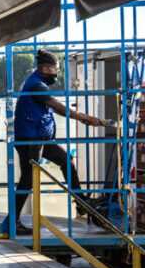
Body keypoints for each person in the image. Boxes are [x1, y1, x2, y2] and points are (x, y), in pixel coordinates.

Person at [12, 50, 107, 233]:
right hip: (31, 140)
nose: (57, 73)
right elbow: (57, 106)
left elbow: (52, 109)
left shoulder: (37, 83)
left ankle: (80, 202)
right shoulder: (37, 86)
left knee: (65, 160)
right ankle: (13, 222)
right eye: (55, 69)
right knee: (27, 179)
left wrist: (81, 117)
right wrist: (82, 117)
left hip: (39, 138)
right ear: (45, 68)